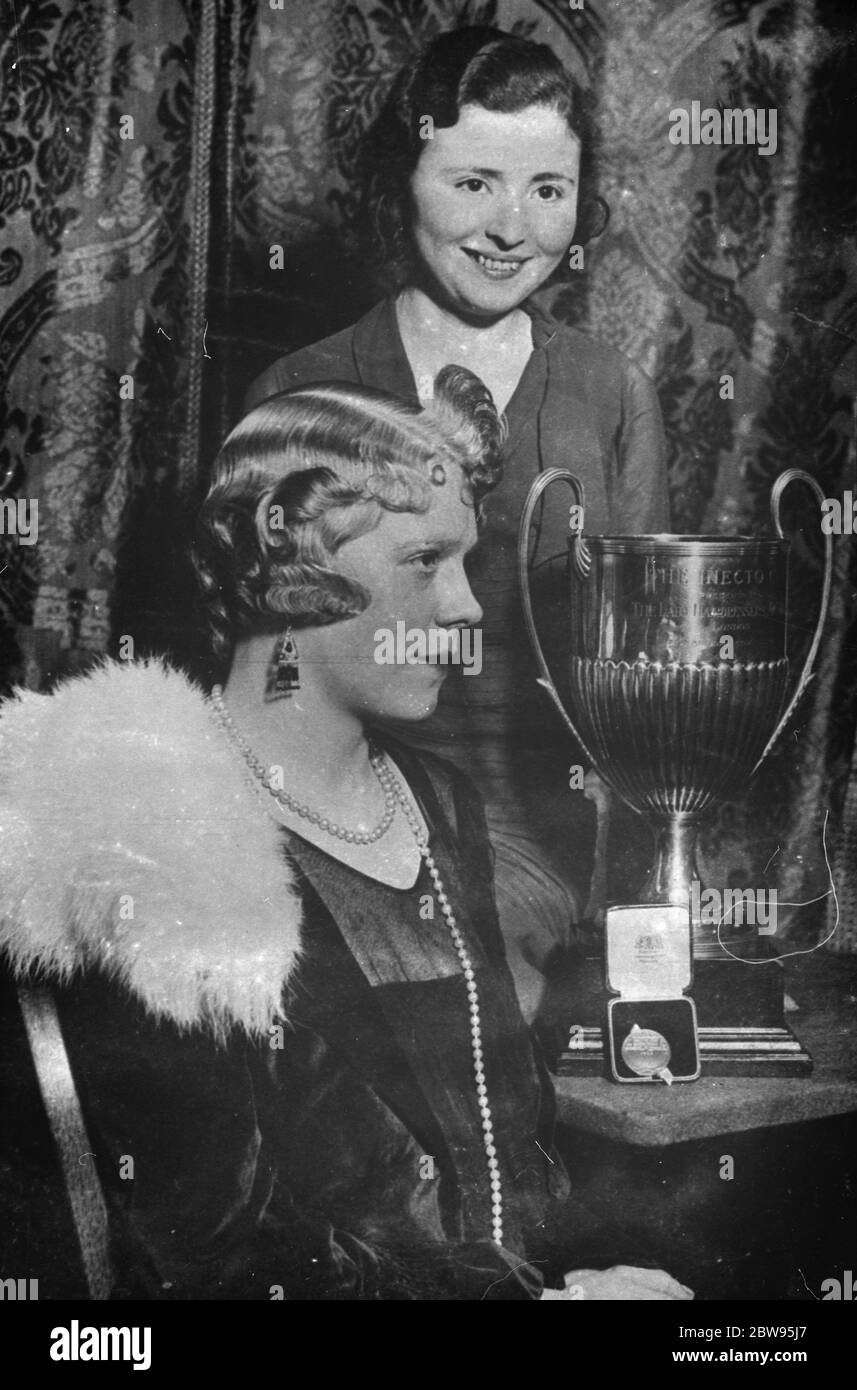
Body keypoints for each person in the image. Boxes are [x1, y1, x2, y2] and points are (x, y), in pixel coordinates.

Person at [0, 374, 690, 1301]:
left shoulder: (434, 801)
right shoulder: (151, 829)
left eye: (465, 563)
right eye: (423, 562)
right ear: (292, 575)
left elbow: (500, 1140)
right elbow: (212, 1258)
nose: (465, 608)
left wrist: (577, 1278)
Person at [244, 27, 670, 1019]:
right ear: (407, 180)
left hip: (536, 831)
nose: (510, 228)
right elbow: (261, 682)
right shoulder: (303, 389)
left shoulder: (610, 395)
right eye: (472, 183)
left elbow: (646, 682)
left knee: (463, 983)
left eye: (546, 191)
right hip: (337, 811)